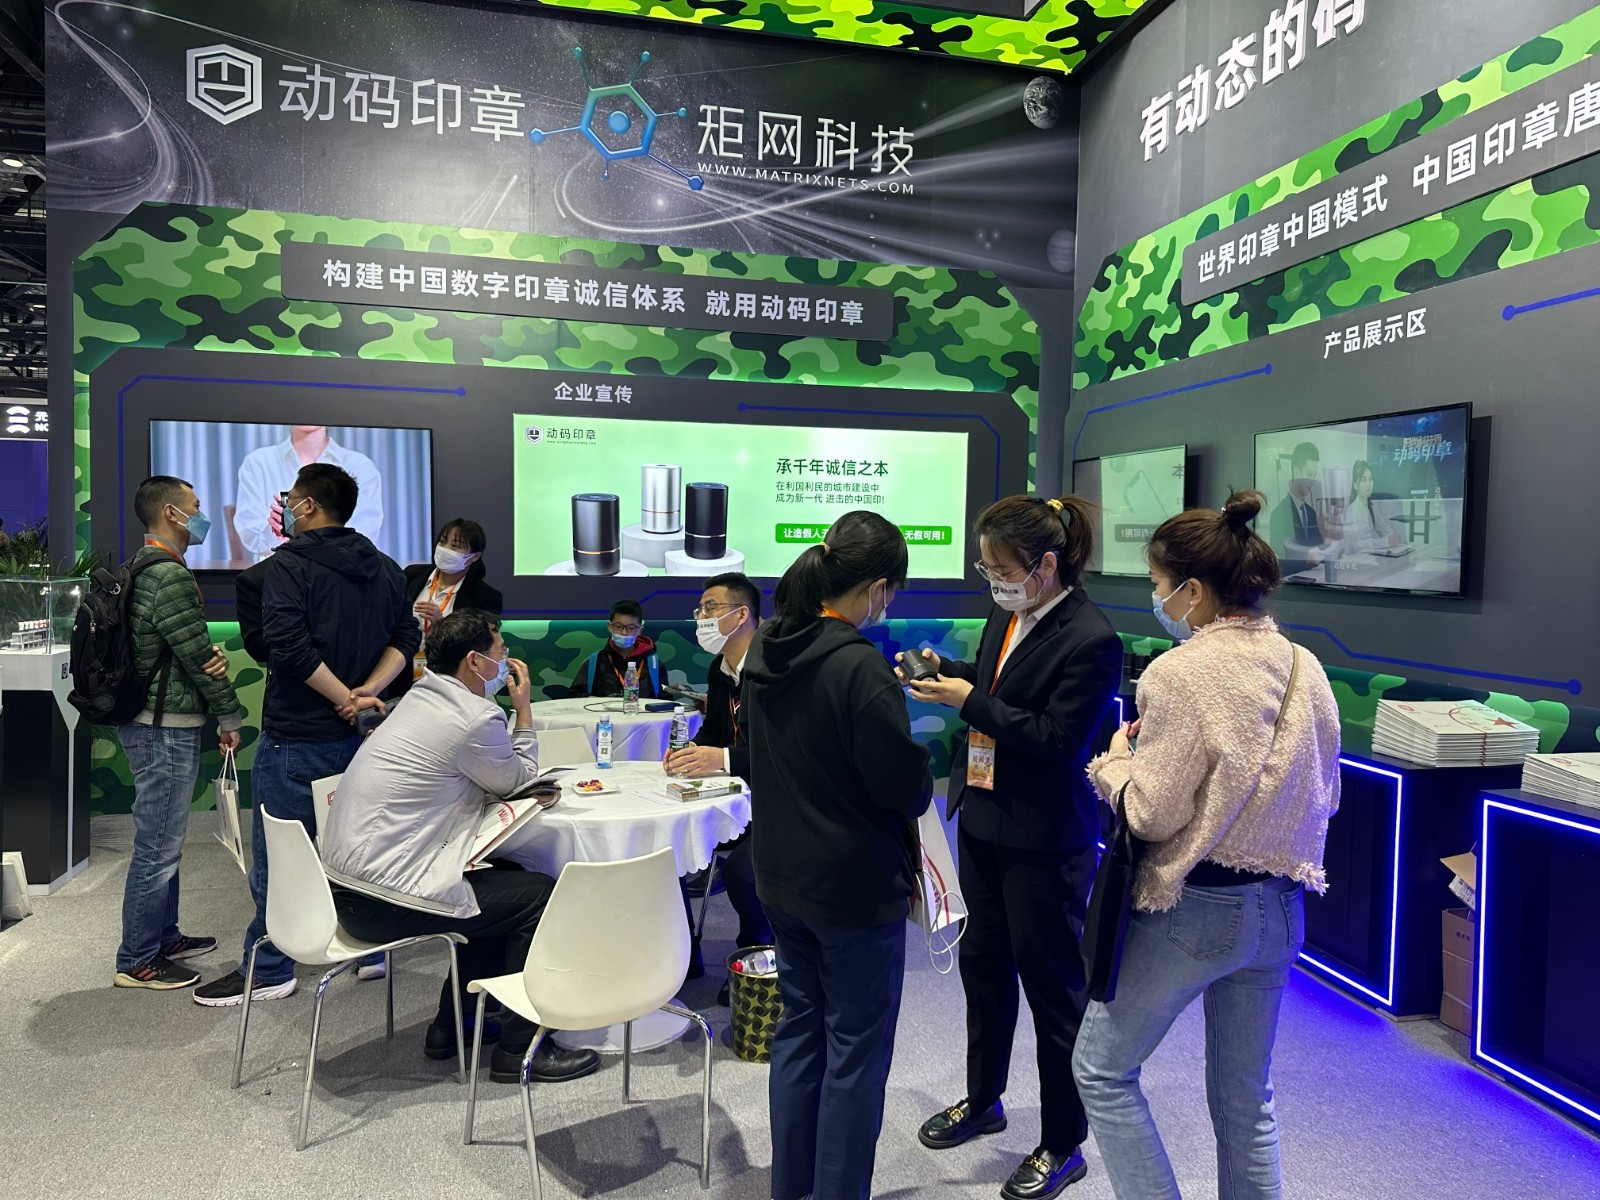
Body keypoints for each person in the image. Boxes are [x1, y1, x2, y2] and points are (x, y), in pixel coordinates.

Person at [1074, 491, 1341, 1200]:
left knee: (1101, 1069)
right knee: (1247, 1099)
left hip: (1194, 910)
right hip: (1282, 909)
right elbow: (1326, 794)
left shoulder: (1179, 672)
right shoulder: (1304, 666)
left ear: (1192, 591)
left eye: (1158, 584)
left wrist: (1114, 765)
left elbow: (1151, 814)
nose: (1157, 599)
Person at [905, 495, 1122, 1200]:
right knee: (984, 970)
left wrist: (966, 700)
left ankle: (1063, 1143)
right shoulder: (1007, 612)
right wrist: (949, 670)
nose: (992, 580)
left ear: (1045, 564)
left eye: (1000, 568)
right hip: (985, 821)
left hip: (1046, 839)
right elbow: (997, 683)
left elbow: (1060, 742)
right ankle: (984, 1099)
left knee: (1053, 991)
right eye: (986, 568)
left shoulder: (1092, 639)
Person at [320, 610, 599, 1083]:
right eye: (501, 652)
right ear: (474, 661)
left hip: (346, 888)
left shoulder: (418, 698)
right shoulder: (474, 716)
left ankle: (454, 1025)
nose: (506, 661)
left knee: (504, 886)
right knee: (538, 896)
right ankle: (522, 1050)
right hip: (382, 898)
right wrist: (524, 710)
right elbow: (518, 780)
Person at [744, 511, 934, 1200]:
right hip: (853, 889)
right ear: (879, 587)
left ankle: (792, 1187)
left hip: (781, 876)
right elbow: (903, 789)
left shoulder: (766, 648)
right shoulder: (859, 667)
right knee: (856, 1051)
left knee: (800, 1032)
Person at [195, 464, 420, 1006]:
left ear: (309, 506)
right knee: (361, 848)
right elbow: (407, 636)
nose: (286, 506)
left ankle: (269, 968)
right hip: (367, 736)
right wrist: (367, 694)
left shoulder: (289, 566)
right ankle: (369, 947)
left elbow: (289, 648)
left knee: (284, 858)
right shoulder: (386, 566)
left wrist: (346, 697)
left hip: (300, 736)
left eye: (291, 498)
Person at [113, 477, 242, 990]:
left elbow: (187, 651)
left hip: (156, 722)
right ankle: (137, 958)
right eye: (195, 507)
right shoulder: (167, 574)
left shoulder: (147, 566)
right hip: (162, 727)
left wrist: (207, 659)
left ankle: (163, 936)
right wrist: (229, 716)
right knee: (158, 845)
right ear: (171, 512)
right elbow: (197, 656)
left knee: (165, 839)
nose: (201, 514)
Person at [663, 572, 774, 998]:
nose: (701, 617)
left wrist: (722, 759)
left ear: (742, 614)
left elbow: (784, 751)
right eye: (700, 609)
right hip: (733, 795)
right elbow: (713, 731)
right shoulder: (720, 668)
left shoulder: (773, 667)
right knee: (666, 842)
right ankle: (681, 953)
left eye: (710, 608)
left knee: (745, 869)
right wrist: (691, 751)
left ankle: (756, 960)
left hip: (778, 800)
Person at [389, 518, 504, 702]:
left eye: (455, 546)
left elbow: (479, 647)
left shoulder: (486, 596)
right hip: (401, 669)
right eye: (442, 542)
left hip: (451, 680)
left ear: (474, 557)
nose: (445, 549)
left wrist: (442, 623)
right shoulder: (412, 574)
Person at [234, 424, 384, 561]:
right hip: (278, 571)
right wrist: (274, 531)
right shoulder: (258, 463)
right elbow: (251, 535)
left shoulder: (361, 466)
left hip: (341, 573)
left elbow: (364, 535)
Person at [567, 599, 662, 699]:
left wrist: (672, 692)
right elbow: (573, 695)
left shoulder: (653, 664)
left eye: (631, 628)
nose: (624, 632)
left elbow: (664, 699)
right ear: (609, 626)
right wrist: (589, 700)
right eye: (618, 626)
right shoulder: (595, 662)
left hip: (638, 709)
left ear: (640, 630)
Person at [1268, 442, 1329, 575]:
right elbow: (1279, 560)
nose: (1312, 480)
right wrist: (1306, 559)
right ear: (1296, 472)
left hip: (1315, 578)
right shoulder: (1279, 514)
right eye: (1309, 474)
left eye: (1314, 475)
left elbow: (1318, 548)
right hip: (1292, 581)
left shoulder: (1311, 512)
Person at [1339, 459, 1399, 553]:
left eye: (1370, 479)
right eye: (1364, 480)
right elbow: (1357, 545)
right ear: (1355, 485)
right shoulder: (1351, 511)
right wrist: (1386, 542)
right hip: (1357, 558)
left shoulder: (1372, 508)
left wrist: (1392, 539)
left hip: (1376, 555)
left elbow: (1387, 531)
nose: (1368, 484)